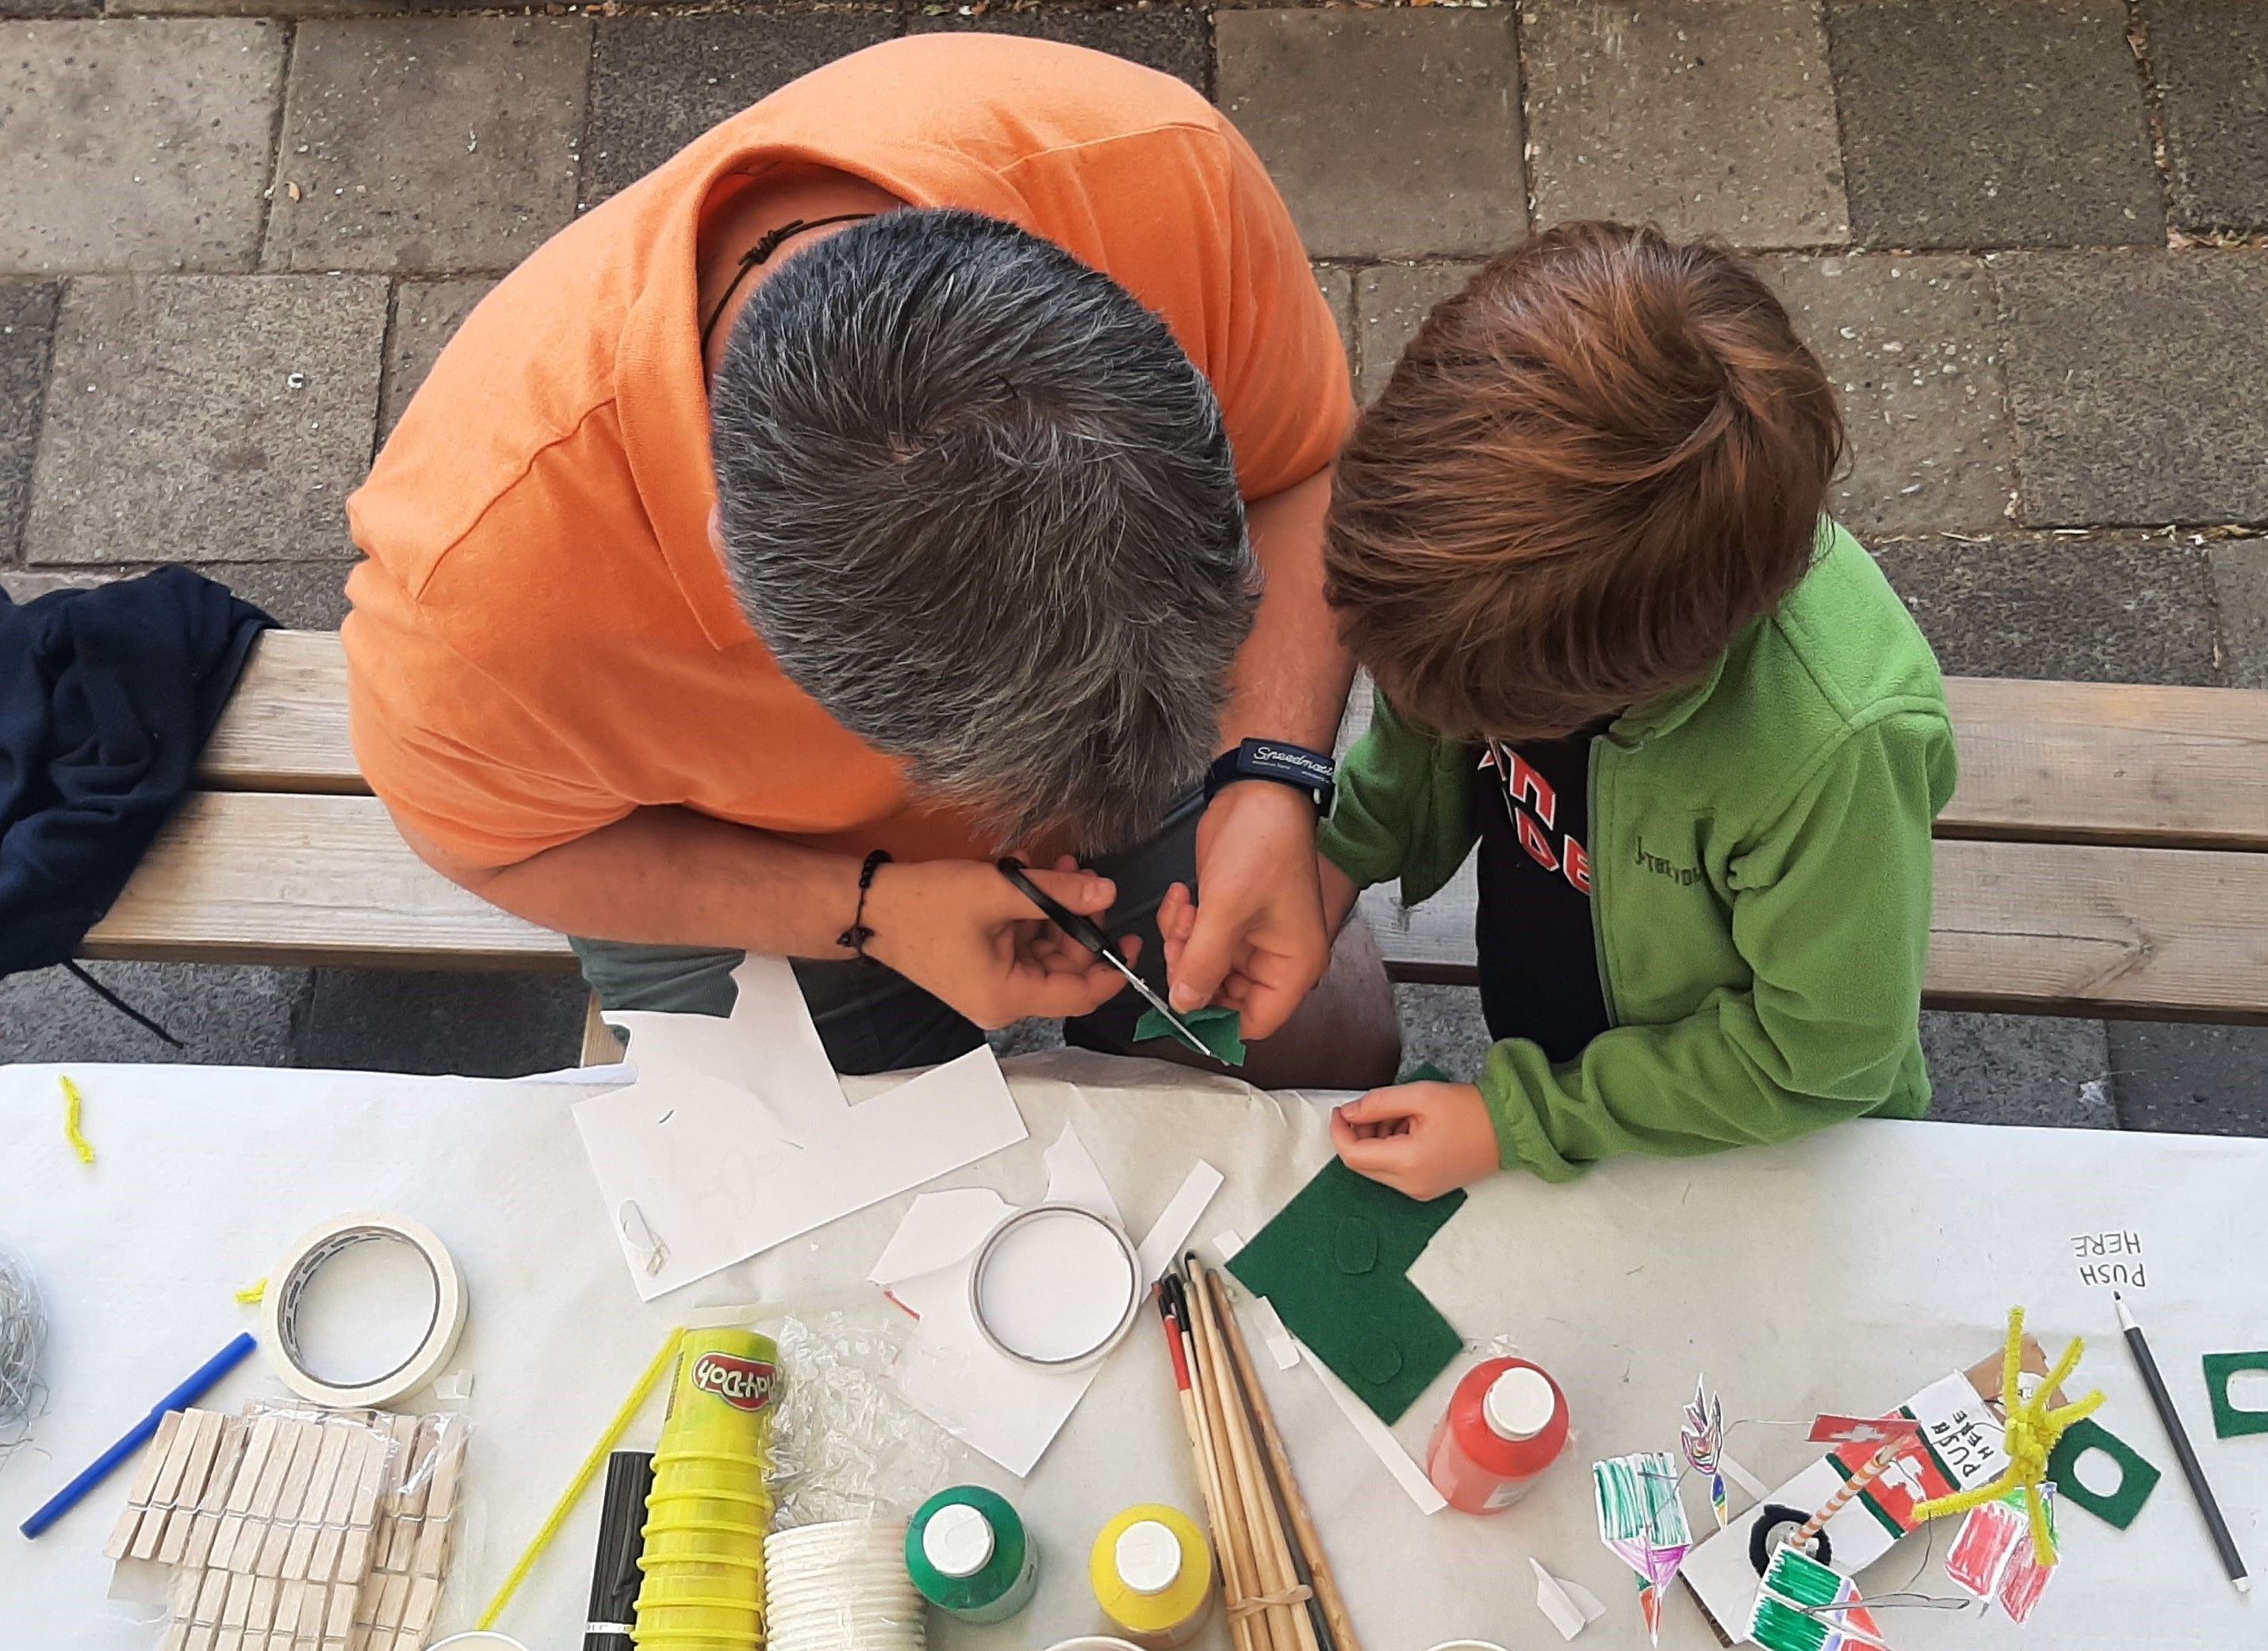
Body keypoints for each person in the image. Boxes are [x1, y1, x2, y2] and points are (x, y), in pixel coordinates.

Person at [344, 34, 1399, 1084]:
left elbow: (1305, 474)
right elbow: (499, 847)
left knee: (1331, 1042)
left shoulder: (1163, 170)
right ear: (732, 562)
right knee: (787, 1185)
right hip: (757, 870)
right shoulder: (475, 597)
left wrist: (1268, 771)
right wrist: (866, 911)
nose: (1077, 840)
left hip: (1144, 726)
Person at [1243, 222, 1957, 1196]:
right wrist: (1333, 859)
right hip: (1564, 997)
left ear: (1622, 683)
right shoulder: (1518, 600)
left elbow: (1820, 1059)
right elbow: (1423, 719)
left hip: (1761, 1137)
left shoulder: (1835, 751)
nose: (1440, 717)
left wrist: (1523, 1118)